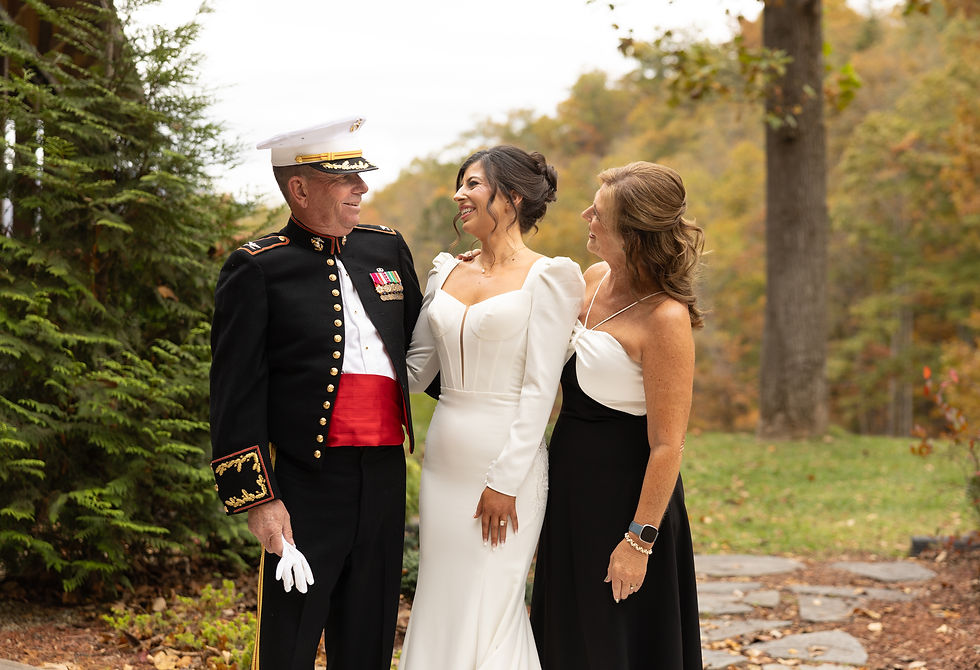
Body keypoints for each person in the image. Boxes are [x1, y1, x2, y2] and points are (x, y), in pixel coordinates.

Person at [208, 116, 424, 670]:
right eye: (344, 179)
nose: (363, 188)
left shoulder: (387, 249)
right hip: (304, 482)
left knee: (370, 636)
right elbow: (235, 396)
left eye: (360, 177)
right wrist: (258, 498)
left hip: (383, 475)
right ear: (299, 188)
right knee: (289, 642)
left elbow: (425, 352)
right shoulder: (258, 268)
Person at [398, 146, 584, 670]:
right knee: (441, 597)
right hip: (444, 461)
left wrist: (505, 479)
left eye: (473, 184)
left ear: (513, 197)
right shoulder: (444, 273)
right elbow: (415, 372)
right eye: (461, 183)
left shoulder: (550, 278)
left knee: (491, 604)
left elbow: (540, 390)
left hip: (508, 463)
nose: (460, 194)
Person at [529, 161, 704, 669]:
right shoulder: (593, 278)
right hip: (568, 495)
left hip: (627, 506)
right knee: (565, 638)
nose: (585, 215)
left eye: (599, 212)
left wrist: (638, 540)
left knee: (616, 645)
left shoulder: (665, 318)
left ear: (633, 232)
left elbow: (668, 445)